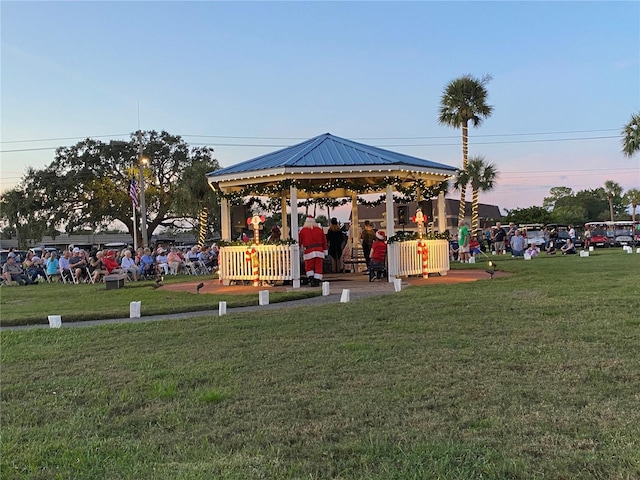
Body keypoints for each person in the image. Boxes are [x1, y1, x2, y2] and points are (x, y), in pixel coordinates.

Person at [298, 216, 327, 287]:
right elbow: (324, 241)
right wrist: (325, 250)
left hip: (309, 251)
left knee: (309, 267)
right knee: (318, 266)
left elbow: (299, 241)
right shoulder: (319, 230)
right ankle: (317, 281)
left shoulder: (303, 230)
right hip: (319, 251)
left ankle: (311, 279)